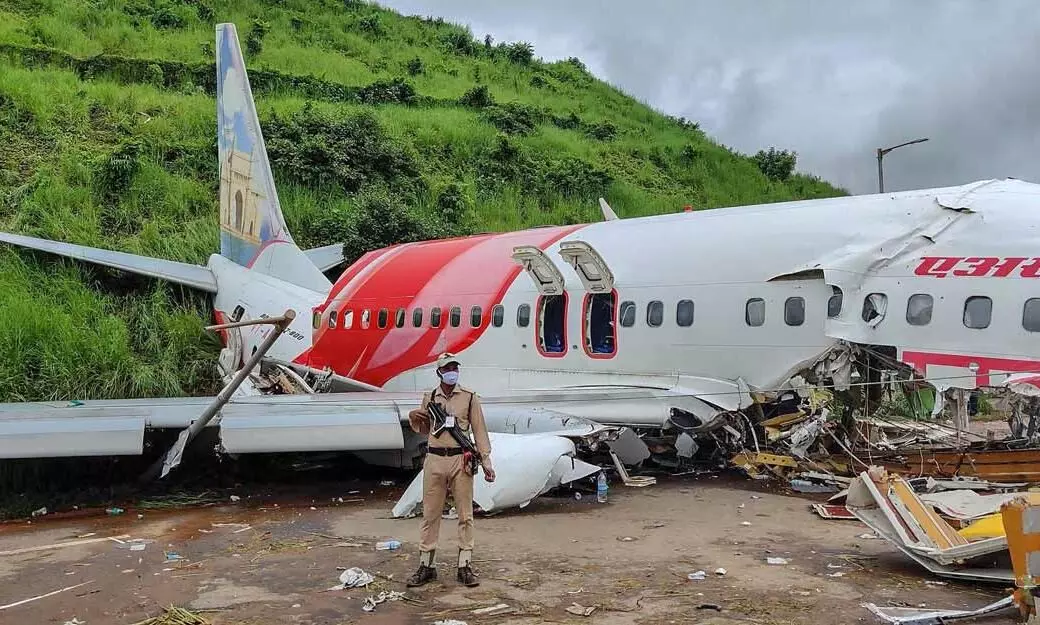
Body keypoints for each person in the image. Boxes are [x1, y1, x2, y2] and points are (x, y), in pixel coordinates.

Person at [405, 352, 494, 588]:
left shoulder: (469, 398)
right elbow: (424, 429)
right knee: (430, 514)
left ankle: (465, 565)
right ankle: (427, 565)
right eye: (447, 368)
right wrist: (415, 417)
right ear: (440, 372)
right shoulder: (430, 398)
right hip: (434, 458)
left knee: (465, 515)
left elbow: (479, 430)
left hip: (460, 459)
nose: (452, 371)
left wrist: (486, 461)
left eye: (455, 367)